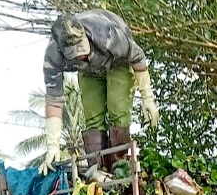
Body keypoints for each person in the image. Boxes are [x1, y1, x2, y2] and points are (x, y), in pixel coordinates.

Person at [39, 9, 159, 175]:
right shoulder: (53, 55)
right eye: (74, 54)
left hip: (118, 63)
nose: (81, 55)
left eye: (81, 49)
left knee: (118, 110)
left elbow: (137, 58)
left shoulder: (107, 33)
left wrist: (148, 98)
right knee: (92, 118)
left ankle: (120, 169)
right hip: (89, 72)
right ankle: (98, 170)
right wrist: (52, 146)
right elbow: (54, 100)